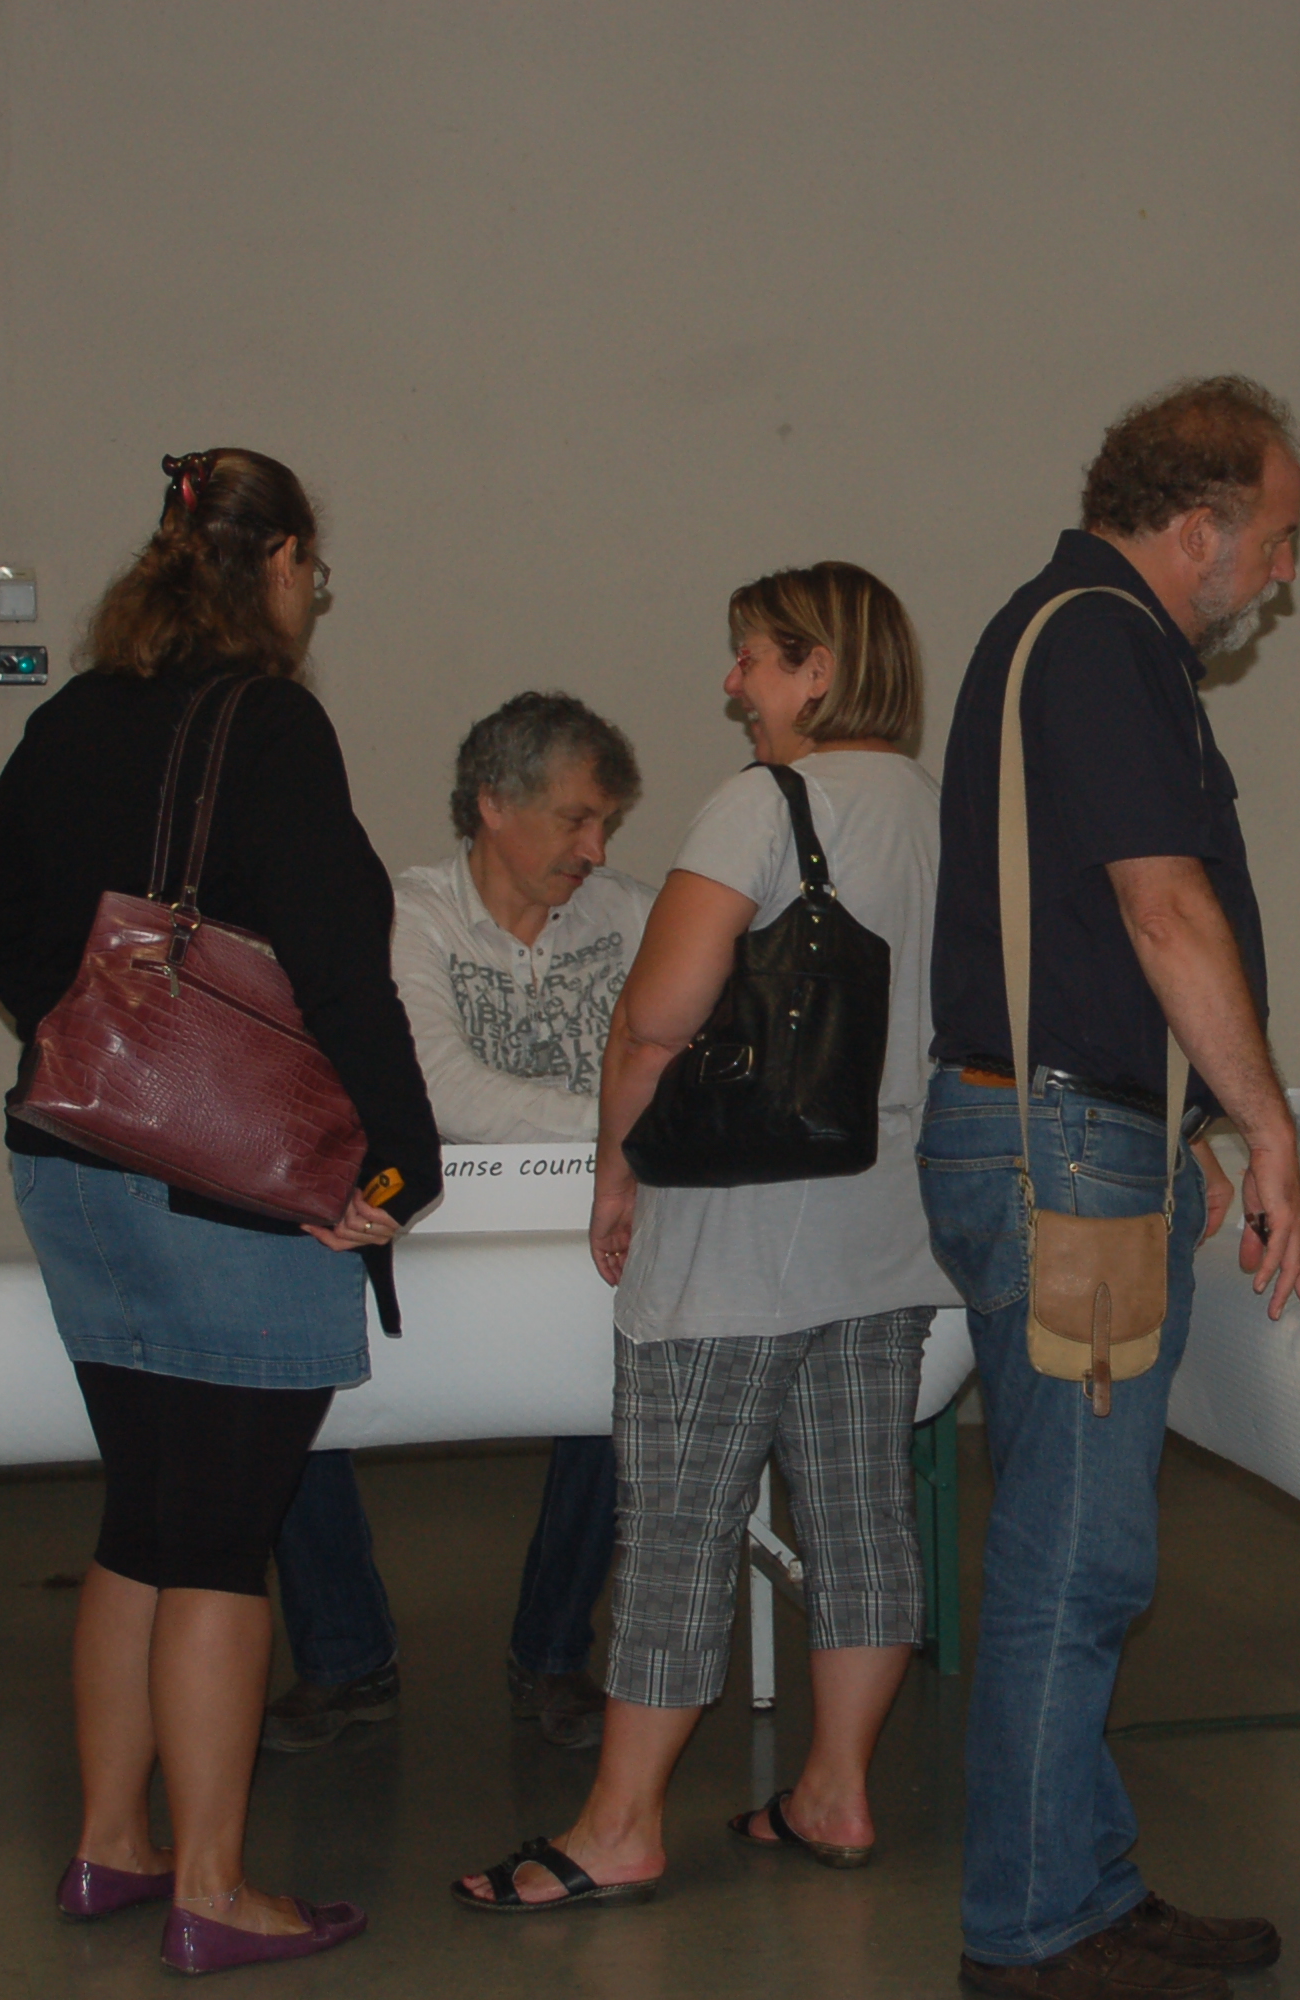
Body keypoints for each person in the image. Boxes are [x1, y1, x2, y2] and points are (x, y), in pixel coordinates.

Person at [0, 448, 440, 1974]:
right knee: (225, 1539)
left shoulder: (75, 715)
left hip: (73, 1164)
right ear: (279, 562)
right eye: (314, 571)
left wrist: (92, 1025)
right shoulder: (268, 726)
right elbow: (343, 967)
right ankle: (215, 1888)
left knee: (144, 1519)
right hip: (224, 1186)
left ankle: (114, 1841)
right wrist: (399, 1163)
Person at [920, 377, 1300, 2000]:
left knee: (1072, 1541)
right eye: (1276, 538)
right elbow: (1161, 910)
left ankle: (1080, 1884)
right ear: (1196, 528)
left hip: (1073, 1135)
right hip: (1063, 1150)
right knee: (1075, 1560)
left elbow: (1108, 935)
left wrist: (1196, 1133)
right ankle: (1033, 1931)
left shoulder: (1079, 634)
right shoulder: (1100, 642)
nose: (1284, 573)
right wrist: (1266, 1125)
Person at [453, 561, 959, 1912]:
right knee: (860, 1510)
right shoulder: (937, 809)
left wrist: (615, 1166)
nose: (732, 683)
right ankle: (835, 1789)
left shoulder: (761, 804)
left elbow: (660, 1014)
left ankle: (619, 1826)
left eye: (752, 656)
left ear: (818, 670)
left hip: (735, 1232)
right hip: (886, 1225)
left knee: (679, 1520)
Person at [262, 693, 657, 1755]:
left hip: (585, 1249)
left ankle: (554, 1653)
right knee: (284, 1380)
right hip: (418, 1243)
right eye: (575, 819)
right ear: (491, 804)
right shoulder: (405, 917)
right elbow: (443, 1091)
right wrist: (621, 1121)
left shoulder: (634, 915)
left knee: (633, 1380)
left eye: (605, 823)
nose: (596, 848)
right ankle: (344, 1658)